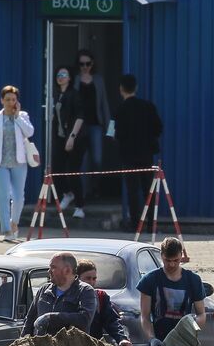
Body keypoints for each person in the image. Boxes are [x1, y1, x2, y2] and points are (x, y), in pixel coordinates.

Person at [136, 237, 214, 346]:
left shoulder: (192, 280)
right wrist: (151, 339)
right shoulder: (150, 280)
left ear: (181, 257)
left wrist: (192, 324)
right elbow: (145, 317)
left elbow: (202, 315)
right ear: (161, 256)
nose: (171, 264)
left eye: (176, 260)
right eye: (167, 260)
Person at [59, 49, 112, 220]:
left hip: (95, 124)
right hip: (78, 126)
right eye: (81, 64)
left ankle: (95, 187)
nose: (85, 67)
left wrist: (110, 127)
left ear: (92, 64)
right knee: (81, 163)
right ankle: (83, 193)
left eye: (88, 64)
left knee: (97, 159)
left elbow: (104, 103)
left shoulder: (98, 80)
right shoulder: (74, 80)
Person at [0, 85, 34, 243]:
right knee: (3, 195)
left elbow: (30, 132)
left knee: (19, 196)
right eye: (7, 100)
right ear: (2, 101)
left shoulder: (22, 115)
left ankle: (14, 223)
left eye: (13, 99)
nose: (11, 102)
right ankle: (6, 230)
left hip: (19, 161)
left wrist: (17, 116)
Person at [112, 74, 164, 230]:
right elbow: (158, 128)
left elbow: (112, 133)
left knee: (132, 191)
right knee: (149, 190)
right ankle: (151, 225)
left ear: (121, 89)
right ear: (136, 88)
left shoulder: (119, 110)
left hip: (128, 155)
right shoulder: (148, 107)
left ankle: (136, 225)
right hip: (146, 154)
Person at [23, 252, 97, 337]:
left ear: (67, 270)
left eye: (53, 267)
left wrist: (51, 318)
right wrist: (22, 342)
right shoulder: (44, 290)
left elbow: (84, 320)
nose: (49, 271)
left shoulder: (85, 291)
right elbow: (29, 320)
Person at [77, 258, 132, 346]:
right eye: (88, 278)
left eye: (94, 278)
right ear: (77, 278)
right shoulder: (68, 297)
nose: (91, 282)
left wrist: (122, 338)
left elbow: (112, 321)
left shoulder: (100, 297)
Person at [51, 66, 86, 216]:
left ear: (70, 77)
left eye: (64, 74)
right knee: (56, 169)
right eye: (59, 74)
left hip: (74, 138)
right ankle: (67, 194)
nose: (61, 77)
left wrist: (72, 137)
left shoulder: (74, 94)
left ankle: (80, 206)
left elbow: (80, 116)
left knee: (73, 171)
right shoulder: (57, 94)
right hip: (60, 137)